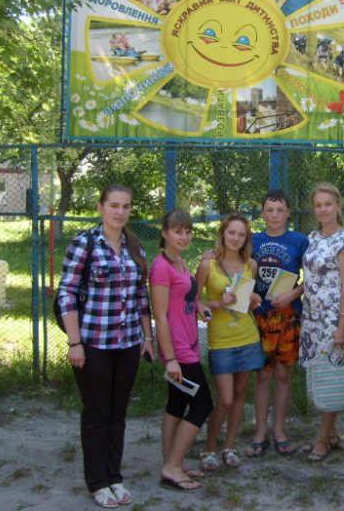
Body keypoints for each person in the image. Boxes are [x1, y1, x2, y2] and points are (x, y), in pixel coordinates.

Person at [57, 184, 155, 509]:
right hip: (93, 344)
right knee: (97, 413)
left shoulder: (134, 246)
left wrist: (147, 338)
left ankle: (114, 476)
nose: (119, 212)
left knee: (118, 413)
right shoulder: (84, 243)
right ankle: (97, 482)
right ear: (101, 207)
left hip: (127, 344)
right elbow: (67, 293)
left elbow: (141, 296)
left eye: (125, 206)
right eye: (113, 205)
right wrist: (74, 342)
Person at [149, 209, 213, 493]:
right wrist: (171, 358)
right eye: (178, 231)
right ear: (164, 233)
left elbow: (186, 297)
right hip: (178, 351)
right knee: (203, 405)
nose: (184, 237)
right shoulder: (161, 267)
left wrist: (199, 306)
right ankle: (173, 466)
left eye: (188, 232)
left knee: (177, 403)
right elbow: (160, 315)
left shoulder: (179, 262)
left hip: (189, 344)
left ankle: (171, 463)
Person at [195, 213, 264, 471]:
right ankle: (209, 448)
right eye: (231, 232)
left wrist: (254, 301)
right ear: (223, 233)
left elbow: (246, 304)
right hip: (221, 340)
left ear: (247, 238)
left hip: (247, 337)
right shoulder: (208, 264)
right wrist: (217, 302)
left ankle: (229, 447)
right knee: (224, 399)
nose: (235, 238)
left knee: (239, 396)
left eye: (241, 234)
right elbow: (193, 302)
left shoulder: (251, 265)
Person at [244, 190, 309, 457]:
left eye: (280, 210)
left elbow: (314, 276)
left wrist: (293, 294)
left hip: (288, 316)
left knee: (283, 375)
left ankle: (280, 431)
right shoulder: (252, 240)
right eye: (269, 210)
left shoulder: (299, 241)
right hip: (260, 315)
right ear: (262, 212)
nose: (274, 215)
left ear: (288, 213)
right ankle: (260, 432)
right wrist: (248, 295)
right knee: (263, 375)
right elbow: (235, 267)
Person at [299, 182, 344, 462]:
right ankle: (331, 435)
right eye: (318, 205)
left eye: (328, 204)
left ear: (338, 206)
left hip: (332, 319)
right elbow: (311, 278)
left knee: (328, 376)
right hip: (311, 317)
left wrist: (342, 327)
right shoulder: (313, 237)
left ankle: (322, 440)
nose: (322, 209)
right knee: (318, 375)